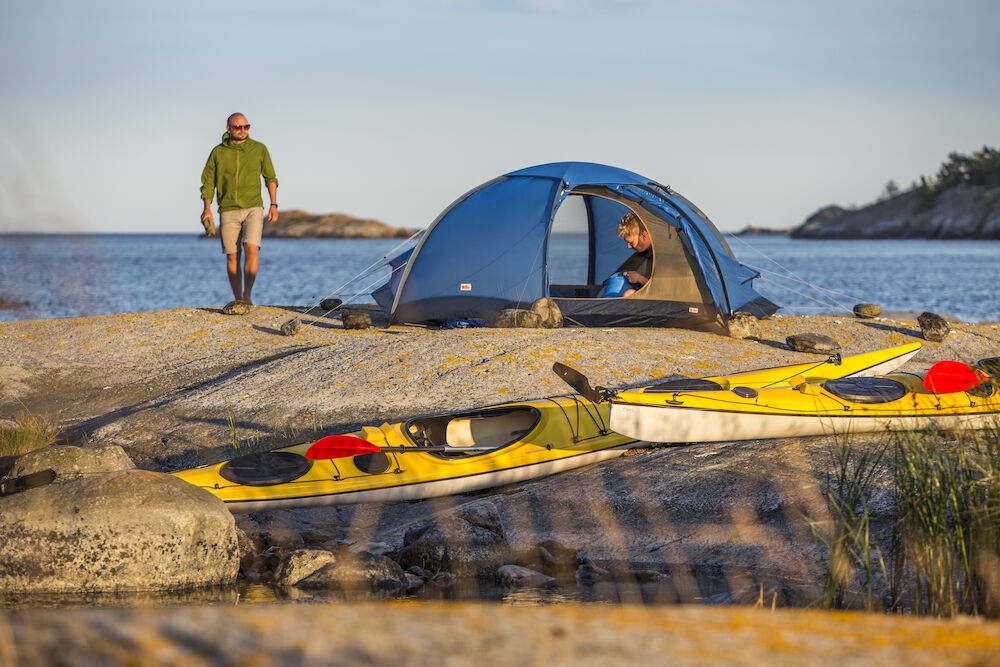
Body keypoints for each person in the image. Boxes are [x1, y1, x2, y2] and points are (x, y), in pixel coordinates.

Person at [200, 113, 279, 306]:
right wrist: (207, 209)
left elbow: (270, 178)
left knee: (252, 248)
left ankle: (247, 295)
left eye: (246, 127)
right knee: (232, 255)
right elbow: (208, 183)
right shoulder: (217, 152)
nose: (242, 130)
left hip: (254, 207)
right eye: (238, 127)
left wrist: (274, 204)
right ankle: (238, 299)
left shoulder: (259, 149)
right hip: (227, 208)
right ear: (228, 129)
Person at [603, 212, 652, 297]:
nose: (628, 246)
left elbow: (665, 290)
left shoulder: (663, 256)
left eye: (631, 242)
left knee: (628, 294)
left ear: (643, 235)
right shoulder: (643, 255)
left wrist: (639, 279)